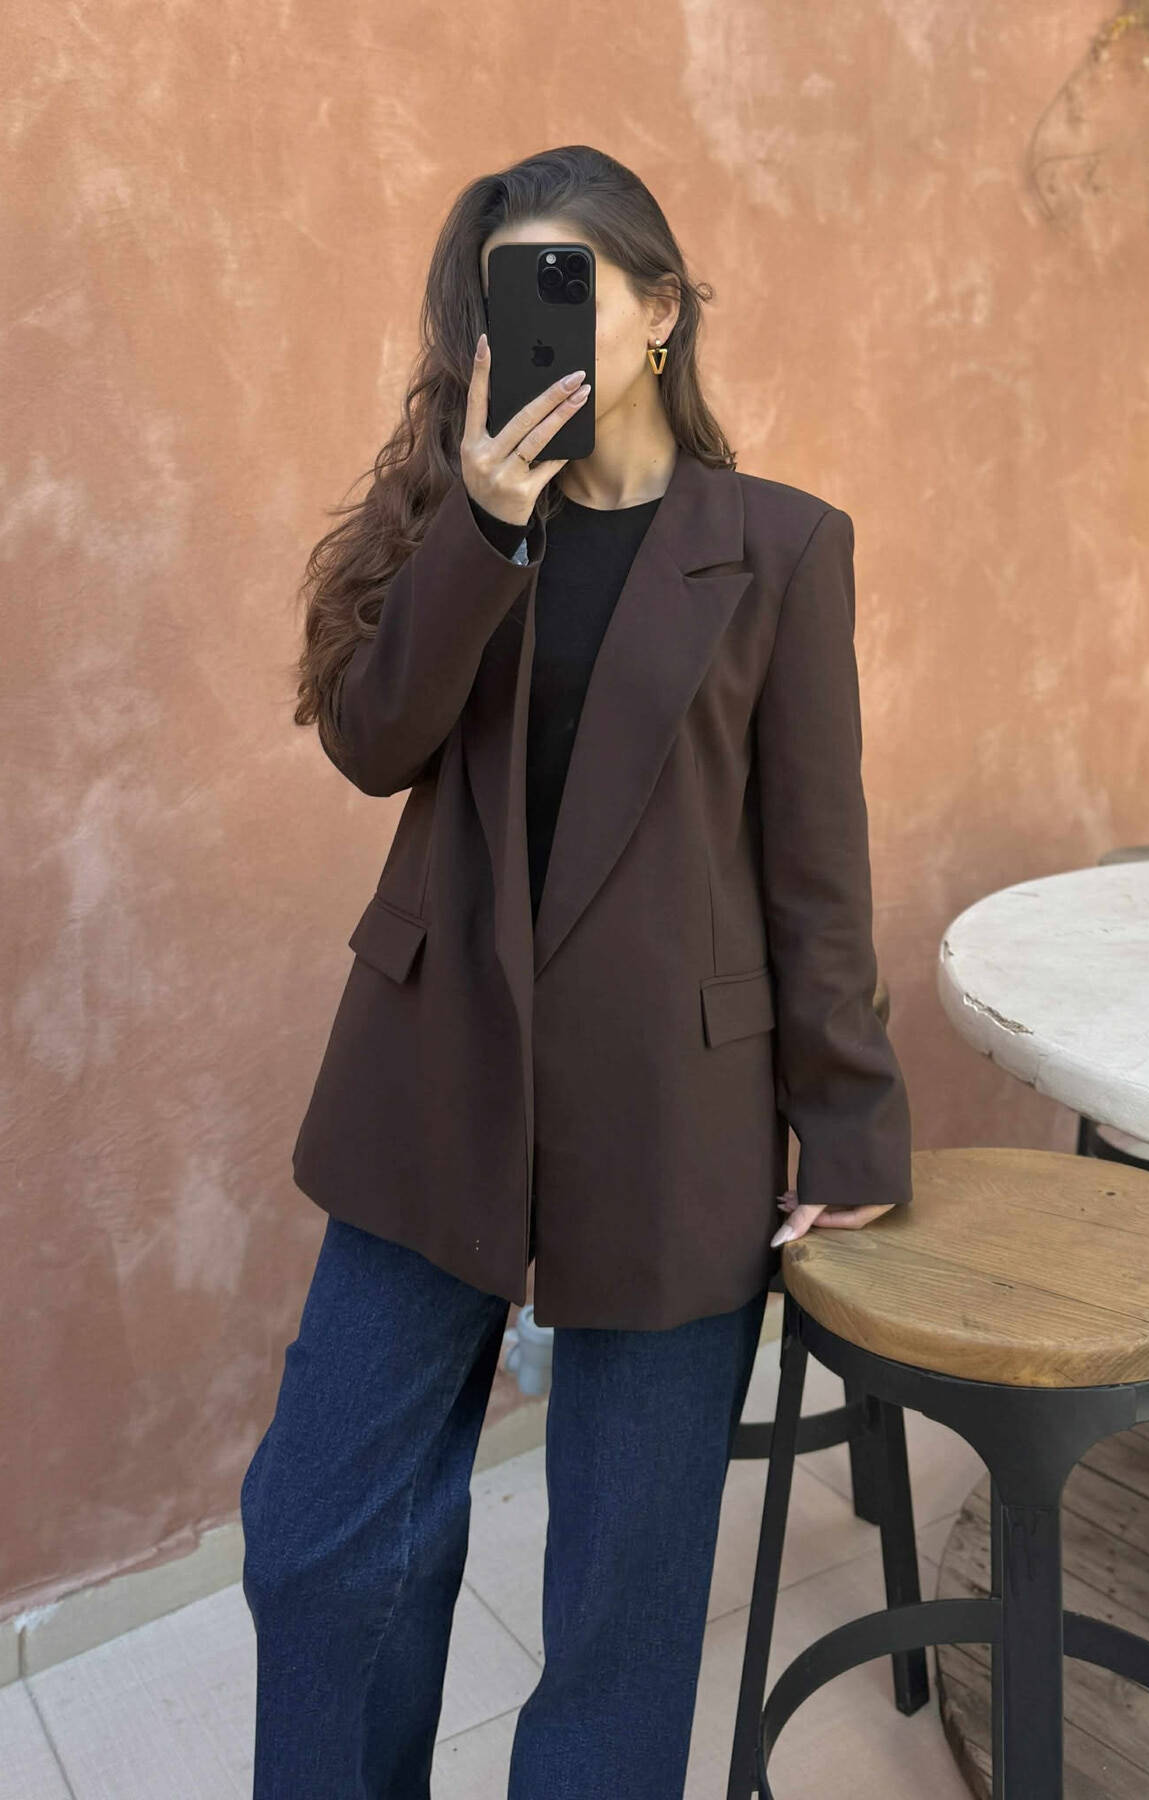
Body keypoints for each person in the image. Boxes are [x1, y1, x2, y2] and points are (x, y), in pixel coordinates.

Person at [240, 144, 911, 1800]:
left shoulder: (783, 547)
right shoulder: (463, 520)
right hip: (432, 1073)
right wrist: (482, 524)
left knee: (623, 1612)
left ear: (662, 308)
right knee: (316, 1540)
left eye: (567, 286)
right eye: (500, 302)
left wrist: (849, 1123)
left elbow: (815, 867)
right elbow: (372, 745)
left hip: (673, 1108)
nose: (525, 331)